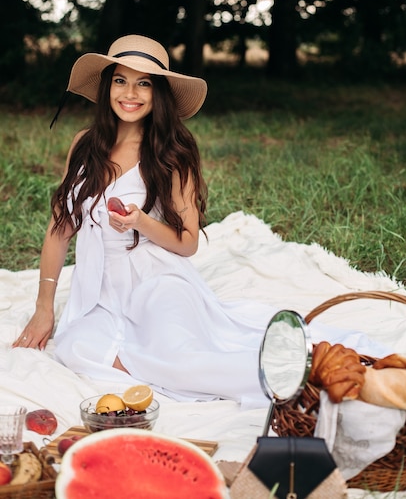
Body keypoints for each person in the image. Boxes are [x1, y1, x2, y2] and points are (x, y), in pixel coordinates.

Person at [13, 34, 276, 406]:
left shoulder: (172, 152)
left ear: (159, 94)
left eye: (144, 83)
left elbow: (187, 244)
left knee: (178, 355)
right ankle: (160, 373)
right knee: (74, 347)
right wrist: (44, 308)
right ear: (107, 87)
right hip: (99, 291)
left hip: (157, 279)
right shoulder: (84, 144)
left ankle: (276, 376)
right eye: (120, 80)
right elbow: (59, 230)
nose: (129, 93)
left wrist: (141, 222)